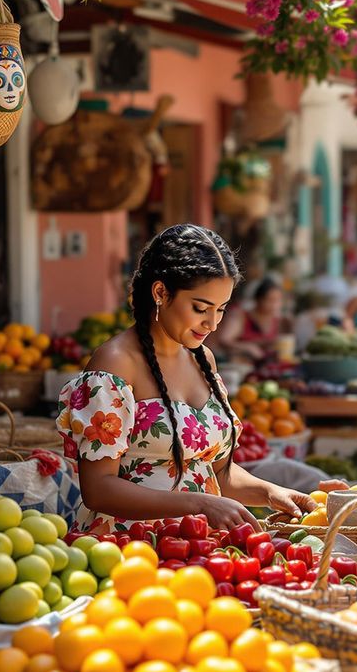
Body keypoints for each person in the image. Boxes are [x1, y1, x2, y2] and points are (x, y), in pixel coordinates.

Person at [56, 225, 315, 533]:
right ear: (161, 293)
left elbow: (218, 472)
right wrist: (200, 503)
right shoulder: (116, 364)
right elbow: (98, 490)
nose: (213, 324)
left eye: (221, 309)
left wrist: (271, 493)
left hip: (198, 546)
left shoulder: (202, 358)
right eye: (200, 308)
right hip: (129, 548)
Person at [214, 276, 290, 364]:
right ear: (258, 300)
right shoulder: (241, 316)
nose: (275, 305)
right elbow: (224, 340)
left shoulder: (279, 321)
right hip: (240, 364)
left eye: (278, 300)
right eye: (270, 300)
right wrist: (247, 347)